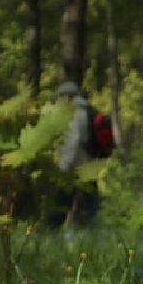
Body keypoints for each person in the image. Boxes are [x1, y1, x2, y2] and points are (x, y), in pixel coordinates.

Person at [54, 80, 101, 226]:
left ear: (68, 96)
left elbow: (73, 141)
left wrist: (63, 166)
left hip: (75, 165)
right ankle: (92, 230)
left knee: (61, 201)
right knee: (90, 201)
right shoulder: (88, 110)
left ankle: (53, 231)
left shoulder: (74, 113)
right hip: (90, 163)